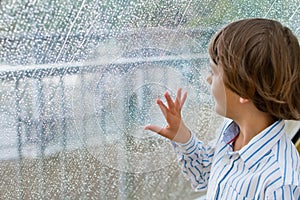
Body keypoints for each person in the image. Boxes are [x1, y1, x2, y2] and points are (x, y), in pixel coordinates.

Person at [144, 18, 300, 199]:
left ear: (245, 90)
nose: (208, 79)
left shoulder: (280, 183)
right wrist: (181, 135)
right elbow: (205, 175)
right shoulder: (231, 131)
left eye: (214, 72)